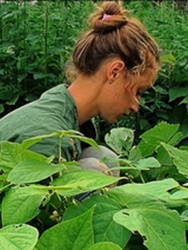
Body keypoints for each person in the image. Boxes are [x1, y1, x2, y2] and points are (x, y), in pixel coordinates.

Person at [0, 1, 160, 176]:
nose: (135, 106)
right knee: (94, 170)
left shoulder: (69, 119)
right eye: (138, 92)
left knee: (103, 158)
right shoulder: (51, 139)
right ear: (115, 72)